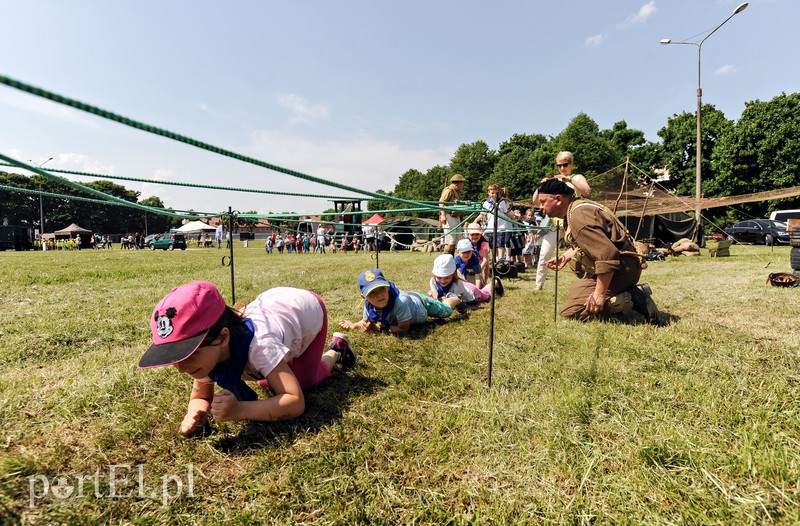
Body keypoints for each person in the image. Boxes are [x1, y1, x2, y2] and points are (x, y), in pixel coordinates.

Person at [138, 281, 357, 437]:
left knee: (303, 382)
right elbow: (202, 393)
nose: (181, 367)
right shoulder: (207, 355)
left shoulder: (260, 346)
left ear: (223, 337)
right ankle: (284, 364)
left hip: (307, 310)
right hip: (277, 305)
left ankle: (336, 349)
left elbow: (295, 402)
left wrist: (240, 410)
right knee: (267, 378)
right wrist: (195, 410)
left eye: (189, 352)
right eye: (176, 355)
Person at [537, 179, 661, 325]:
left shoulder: (579, 217)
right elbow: (596, 243)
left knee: (571, 311)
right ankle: (614, 292)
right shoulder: (578, 207)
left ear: (558, 199)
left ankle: (630, 298)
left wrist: (599, 295)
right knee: (573, 263)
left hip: (622, 269)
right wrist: (566, 256)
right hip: (626, 263)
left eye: (543, 202)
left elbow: (607, 255)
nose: (540, 207)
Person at [532, 151, 592, 291]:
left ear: (572, 164)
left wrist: (570, 180)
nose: (562, 168)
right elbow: (535, 201)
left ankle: (589, 283)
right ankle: (538, 285)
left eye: (565, 164)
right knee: (544, 254)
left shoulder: (577, 177)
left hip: (573, 223)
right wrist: (540, 185)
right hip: (554, 225)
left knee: (582, 253)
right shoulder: (553, 181)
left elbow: (587, 191)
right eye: (559, 165)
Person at [339, 268, 461, 335]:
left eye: (381, 289)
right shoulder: (369, 305)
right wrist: (354, 325)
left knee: (447, 311)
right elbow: (366, 321)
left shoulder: (400, 302)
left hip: (421, 304)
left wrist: (378, 327)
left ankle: (456, 298)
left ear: (388, 287)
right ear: (364, 297)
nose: (379, 295)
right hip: (410, 301)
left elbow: (403, 329)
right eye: (372, 293)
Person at [429, 254, 497, 310]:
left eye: (447, 277)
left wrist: (445, 300)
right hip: (463, 287)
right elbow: (435, 294)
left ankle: (495, 282)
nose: (443, 281)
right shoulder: (433, 281)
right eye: (439, 277)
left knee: (485, 294)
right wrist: (438, 299)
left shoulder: (457, 283)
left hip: (472, 293)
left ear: (453, 275)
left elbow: (458, 298)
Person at [479, 184, 510, 261]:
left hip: (501, 227)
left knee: (500, 244)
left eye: (496, 193)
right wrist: (474, 222)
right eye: (492, 193)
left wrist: (514, 216)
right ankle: (493, 259)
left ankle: (500, 259)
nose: (494, 195)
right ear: (489, 193)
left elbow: (506, 212)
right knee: (492, 244)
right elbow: (482, 214)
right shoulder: (486, 203)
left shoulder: (501, 202)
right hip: (490, 227)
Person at [438, 174, 466, 254]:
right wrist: (443, 215)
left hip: (455, 216)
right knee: (450, 242)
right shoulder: (449, 190)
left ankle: (451, 260)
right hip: (449, 216)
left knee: (455, 241)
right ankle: (446, 258)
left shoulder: (456, 192)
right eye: (462, 183)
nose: (462, 185)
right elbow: (441, 203)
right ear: (458, 183)